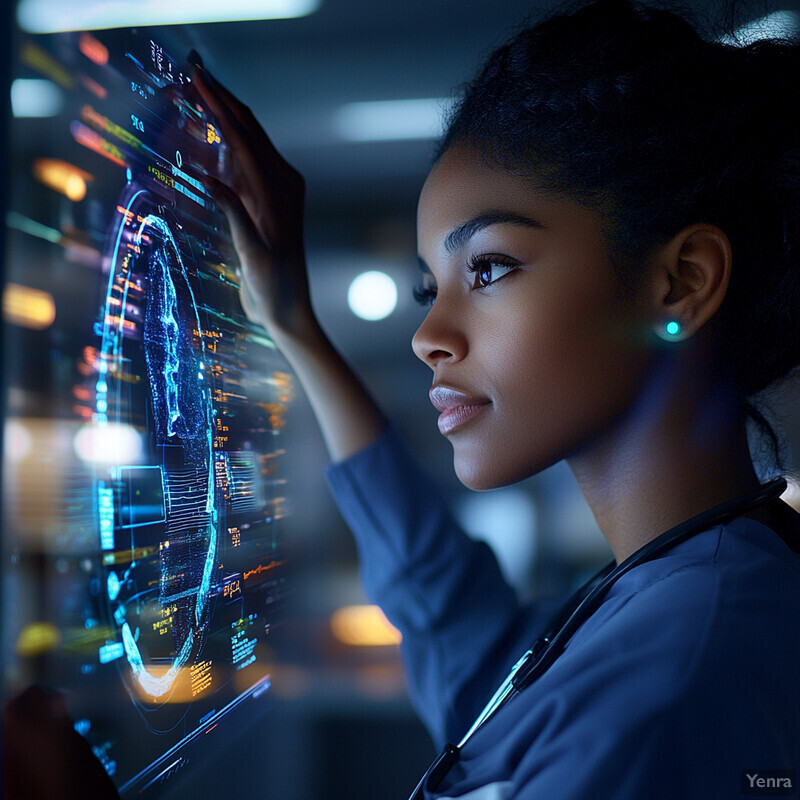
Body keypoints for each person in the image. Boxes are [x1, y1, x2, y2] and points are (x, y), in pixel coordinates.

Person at [5, 1, 799, 798]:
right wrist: (294, 327)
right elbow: (471, 647)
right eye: (431, 287)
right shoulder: (680, 593)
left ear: (682, 280)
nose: (430, 335)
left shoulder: (671, 687)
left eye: (487, 268)